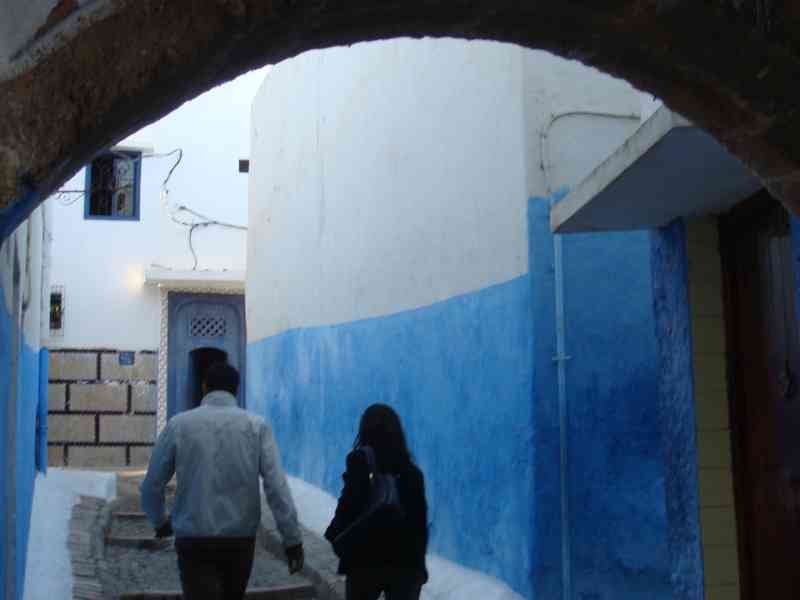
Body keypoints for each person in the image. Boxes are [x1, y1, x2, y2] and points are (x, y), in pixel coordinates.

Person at [140, 361, 304, 600]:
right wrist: (292, 540)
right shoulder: (256, 427)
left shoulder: (179, 425)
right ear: (235, 390)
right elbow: (276, 487)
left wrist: (160, 521)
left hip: (193, 537)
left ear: (205, 387)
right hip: (239, 539)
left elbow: (152, 485)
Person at [324, 403, 429, 600]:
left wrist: (334, 534)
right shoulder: (413, 474)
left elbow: (348, 507)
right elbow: (419, 526)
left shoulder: (360, 463)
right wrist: (419, 568)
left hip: (364, 561)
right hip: (405, 565)